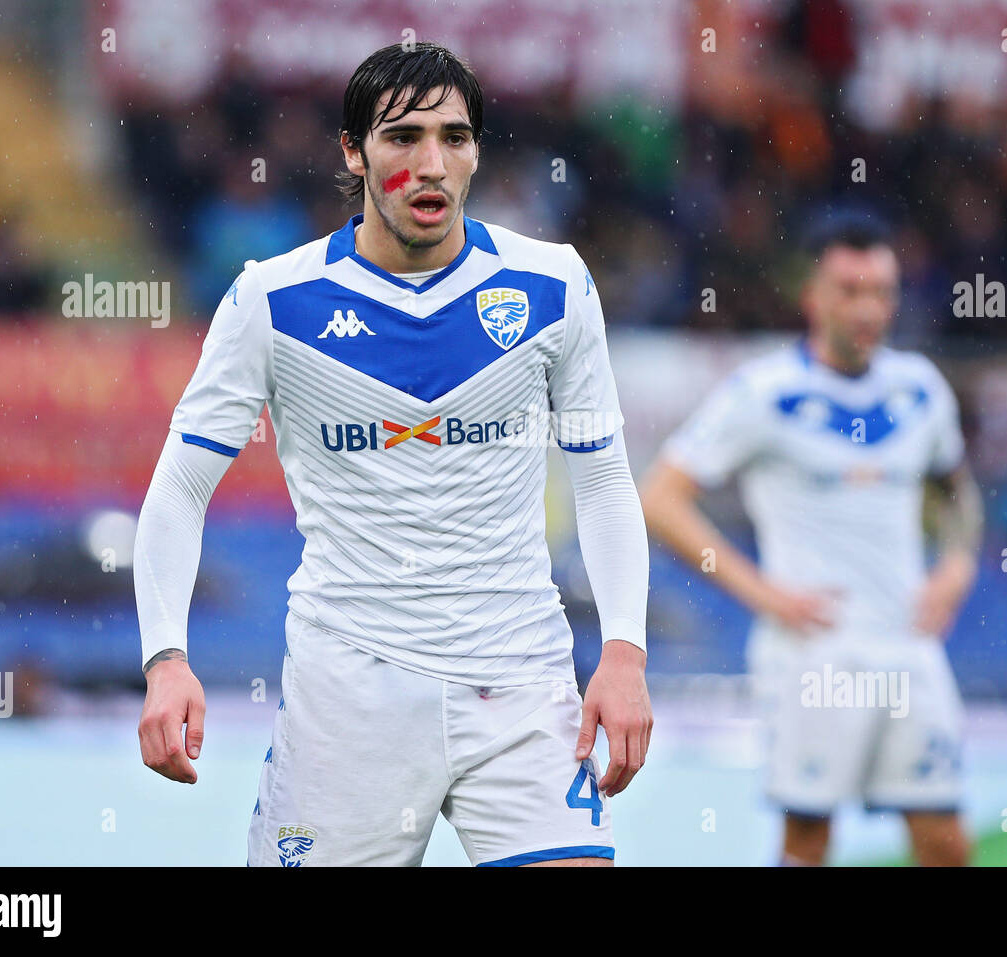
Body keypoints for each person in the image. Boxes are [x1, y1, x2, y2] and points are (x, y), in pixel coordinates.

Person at [133, 42, 651, 867]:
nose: (431, 163)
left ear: (477, 151)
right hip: (348, 696)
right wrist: (167, 660)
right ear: (352, 150)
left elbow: (604, 481)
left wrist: (623, 651)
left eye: (454, 137)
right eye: (402, 137)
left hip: (518, 684)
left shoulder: (553, 284)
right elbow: (179, 489)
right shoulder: (272, 300)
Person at [640, 218, 982, 866]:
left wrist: (958, 563)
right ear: (812, 296)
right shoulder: (764, 393)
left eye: (881, 291)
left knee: (945, 841)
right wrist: (763, 592)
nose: (867, 307)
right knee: (809, 842)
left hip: (910, 648)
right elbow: (660, 496)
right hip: (814, 656)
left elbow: (956, 490)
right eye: (849, 289)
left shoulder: (920, 389)